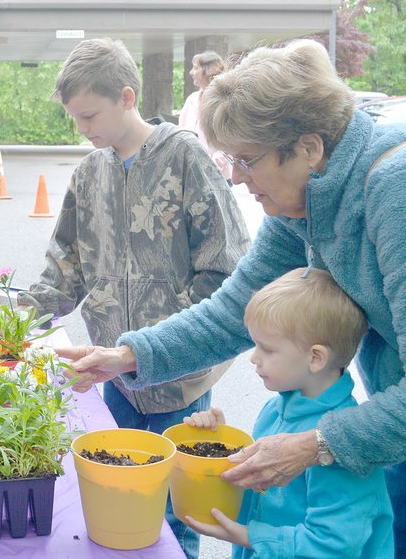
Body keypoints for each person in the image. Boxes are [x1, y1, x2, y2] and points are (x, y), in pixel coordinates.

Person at [57, 39, 406, 557]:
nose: (236, 177)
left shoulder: (398, 192)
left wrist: (313, 446)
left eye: (247, 160)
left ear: (309, 148)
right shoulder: (305, 203)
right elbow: (229, 314)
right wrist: (127, 356)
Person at [16, 37, 251, 559]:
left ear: (127, 97)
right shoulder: (88, 172)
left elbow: (226, 268)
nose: (82, 129)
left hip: (180, 377)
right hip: (114, 374)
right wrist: (13, 317)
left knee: (173, 512)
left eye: (89, 115)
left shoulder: (186, 156)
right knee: (112, 500)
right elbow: (65, 268)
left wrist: (168, 339)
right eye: (74, 118)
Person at [183, 268, 393, 557]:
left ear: (315, 358)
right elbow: (258, 492)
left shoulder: (343, 447)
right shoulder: (276, 409)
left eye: (267, 349)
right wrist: (221, 445)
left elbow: (336, 545)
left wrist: (249, 537)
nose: (254, 358)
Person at [177, 51, 232, 182]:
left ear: (208, 70)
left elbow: (231, 137)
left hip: (220, 175)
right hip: (194, 174)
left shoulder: (225, 99)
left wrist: (216, 162)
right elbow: (181, 133)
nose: (191, 72)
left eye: (195, 67)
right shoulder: (191, 100)